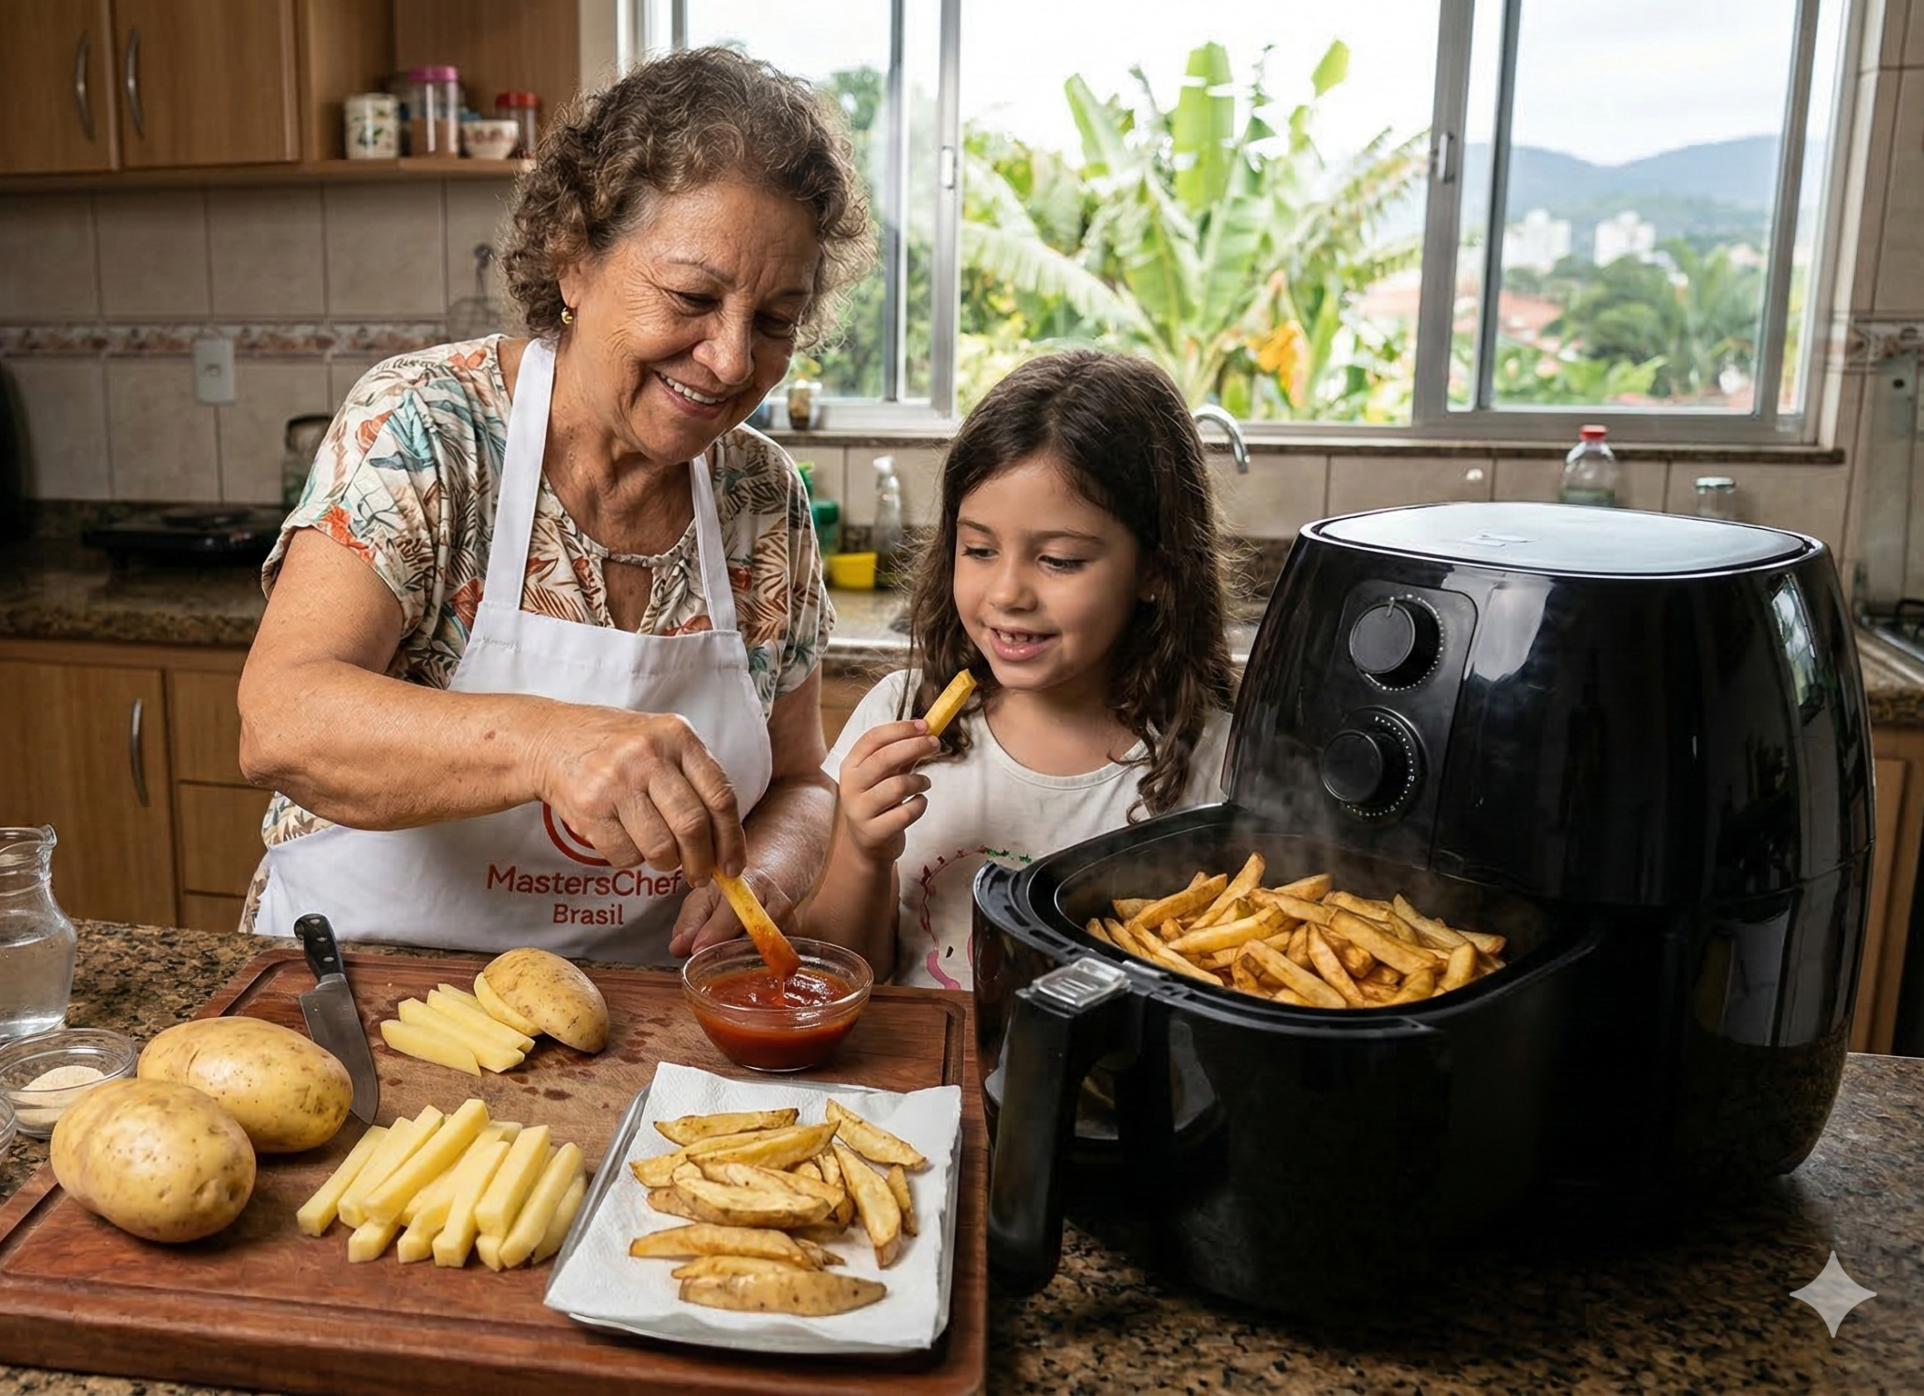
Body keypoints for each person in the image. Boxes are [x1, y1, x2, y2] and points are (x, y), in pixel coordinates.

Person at [235, 48, 876, 965]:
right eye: (693, 297)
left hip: (634, 1017)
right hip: (366, 983)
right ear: (573, 264)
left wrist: (768, 875)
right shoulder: (428, 427)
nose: (734, 362)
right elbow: (281, 720)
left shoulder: (761, 497)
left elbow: (805, 780)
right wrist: (549, 746)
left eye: (775, 321)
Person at [807, 350, 1238, 989]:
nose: (1007, 592)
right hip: (917, 1086)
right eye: (978, 549)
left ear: (1155, 569)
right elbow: (832, 974)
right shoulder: (898, 713)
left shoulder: (1221, 763)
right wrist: (862, 851)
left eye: (1060, 560)